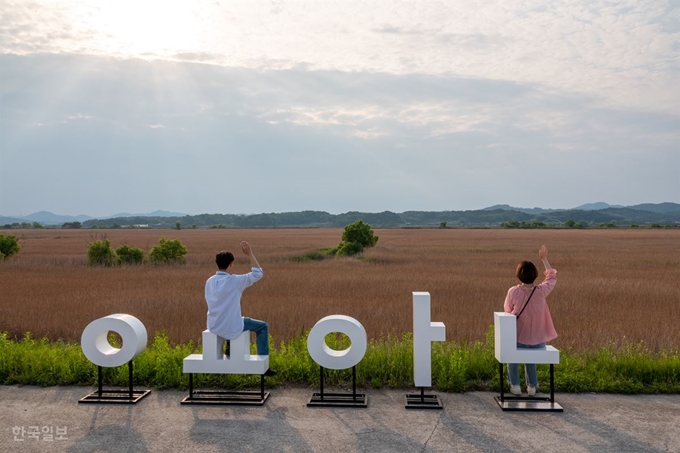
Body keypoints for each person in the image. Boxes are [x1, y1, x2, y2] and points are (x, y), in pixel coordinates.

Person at [205, 241, 275, 376]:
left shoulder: (209, 281)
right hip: (232, 325)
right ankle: (264, 366)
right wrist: (250, 254)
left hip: (214, 324)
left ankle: (230, 344)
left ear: (217, 264)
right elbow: (257, 274)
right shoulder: (234, 281)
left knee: (235, 319)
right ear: (231, 264)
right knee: (262, 327)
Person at [503, 245, 557, 396]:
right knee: (531, 356)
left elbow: (507, 310)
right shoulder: (541, 291)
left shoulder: (513, 291)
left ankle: (515, 385)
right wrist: (544, 259)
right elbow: (551, 277)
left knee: (511, 355)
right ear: (535, 275)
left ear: (518, 275)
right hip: (539, 338)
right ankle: (532, 387)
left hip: (518, 336)